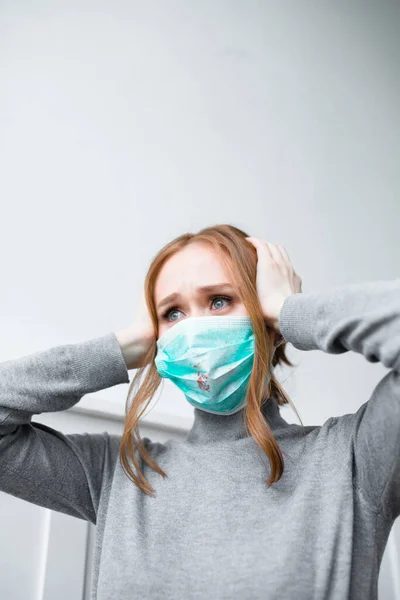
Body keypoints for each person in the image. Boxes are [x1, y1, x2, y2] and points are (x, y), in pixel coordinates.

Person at [0, 223, 399, 600]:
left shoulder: (353, 460)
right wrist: (121, 349)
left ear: (266, 320)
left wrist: (289, 311)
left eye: (219, 301)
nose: (193, 331)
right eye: (172, 313)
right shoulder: (115, 473)